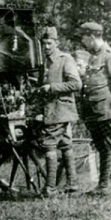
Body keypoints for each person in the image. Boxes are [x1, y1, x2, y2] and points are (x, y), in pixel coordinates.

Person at [78, 22, 111, 194]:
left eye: (84, 38)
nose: (82, 42)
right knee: (103, 147)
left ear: (92, 37)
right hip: (94, 112)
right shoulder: (93, 57)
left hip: (107, 110)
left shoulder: (110, 56)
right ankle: (103, 186)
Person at [36, 27, 82, 196]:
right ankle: (73, 184)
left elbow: (76, 84)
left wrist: (52, 88)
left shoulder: (65, 59)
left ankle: (50, 188)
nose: (46, 47)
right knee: (65, 144)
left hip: (61, 109)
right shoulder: (46, 62)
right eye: (44, 43)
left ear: (57, 43)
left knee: (49, 145)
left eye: (49, 43)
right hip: (53, 111)